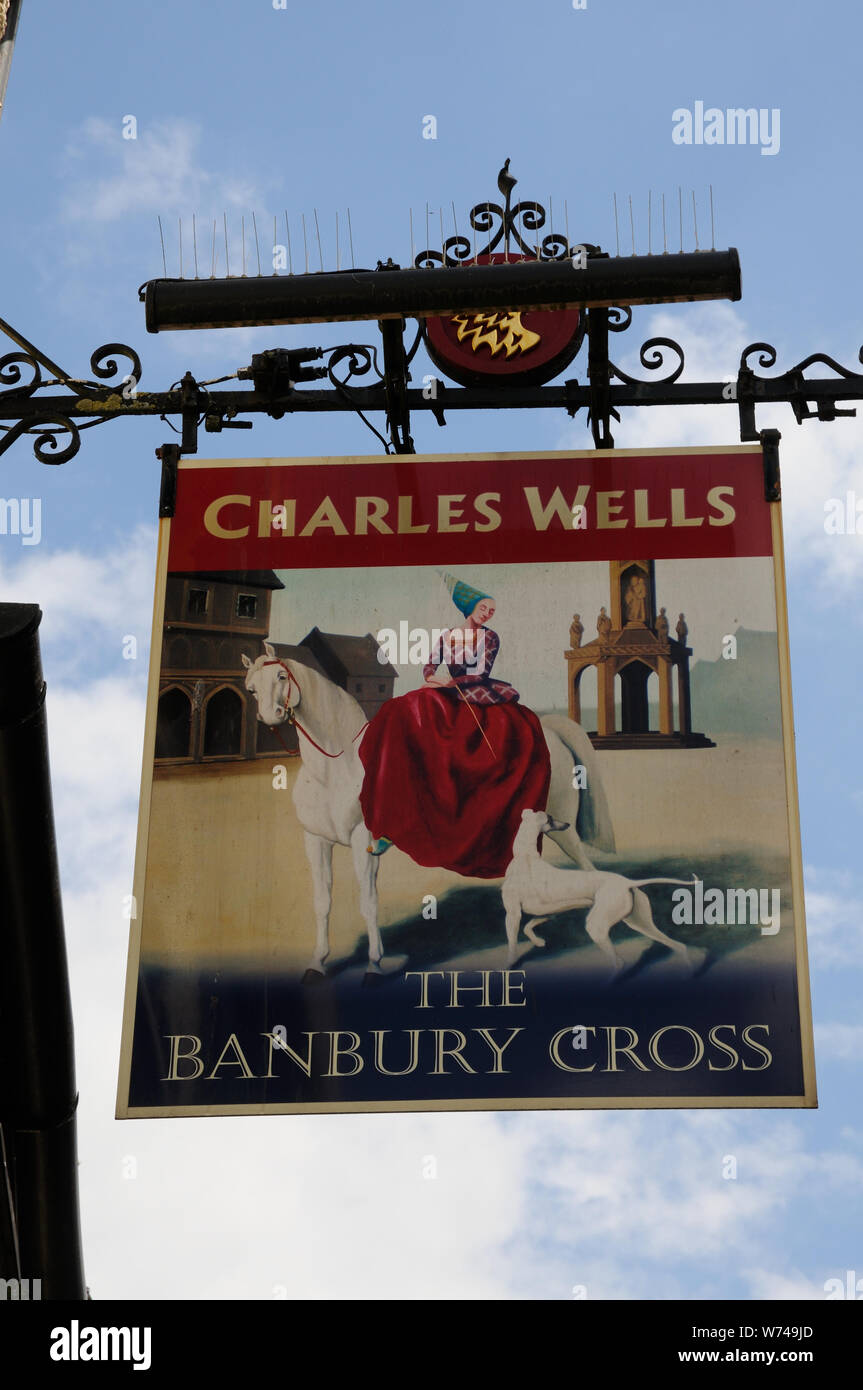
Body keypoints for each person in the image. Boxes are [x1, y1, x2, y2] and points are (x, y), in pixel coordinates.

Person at [358, 573, 550, 879]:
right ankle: (390, 822)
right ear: (470, 607)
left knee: (469, 739)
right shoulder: (446, 637)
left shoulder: (490, 638)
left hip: (477, 691)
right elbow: (429, 667)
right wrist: (436, 680)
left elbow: (481, 672)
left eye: (492, 610)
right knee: (398, 710)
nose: (489, 613)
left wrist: (452, 681)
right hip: (446, 688)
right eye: (484, 607)